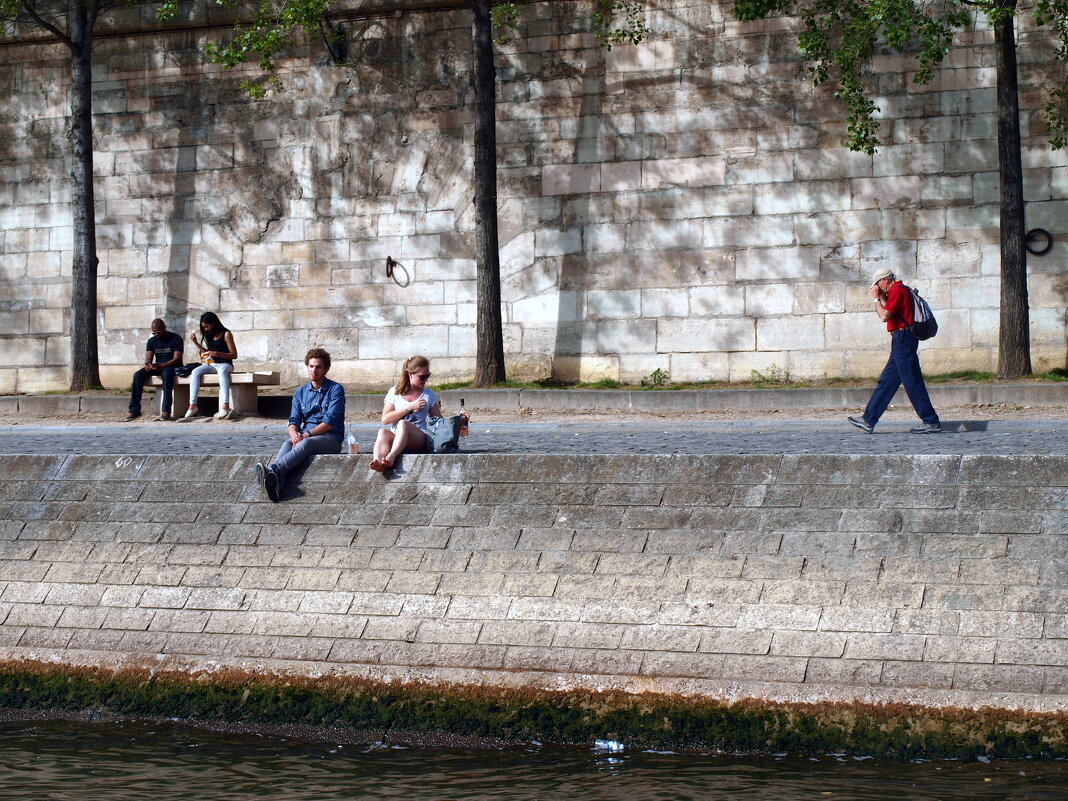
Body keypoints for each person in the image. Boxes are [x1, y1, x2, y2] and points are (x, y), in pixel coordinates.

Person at [848, 267, 941, 435]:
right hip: (901, 339)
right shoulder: (898, 291)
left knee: (912, 381)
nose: (876, 287)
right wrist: (882, 297)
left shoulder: (898, 291)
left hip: (903, 339)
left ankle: (931, 421)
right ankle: (868, 419)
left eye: (878, 283)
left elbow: (884, 316)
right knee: (887, 382)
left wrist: (876, 300)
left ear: (886, 280)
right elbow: (891, 310)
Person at [255, 348, 345, 503]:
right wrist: (294, 434)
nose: (314, 370)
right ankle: (276, 487)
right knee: (287, 443)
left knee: (307, 443)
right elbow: (293, 420)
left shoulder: (335, 389)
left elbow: (330, 422)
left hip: (330, 438)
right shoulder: (300, 392)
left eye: (318, 367)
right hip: (304, 435)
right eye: (311, 366)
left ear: (326, 369)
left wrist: (306, 435)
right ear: (307, 366)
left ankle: (274, 469)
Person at [370, 355, 441, 472]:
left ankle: (392, 456)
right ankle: (377, 462)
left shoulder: (428, 395)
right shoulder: (395, 392)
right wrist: (409, 408)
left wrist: (460, 422)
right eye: (422, 377)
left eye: (427, 376)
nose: (426, 380)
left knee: (403, 424)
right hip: (397, 437)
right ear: (410, 374)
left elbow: (439, 421)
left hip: (418, 439)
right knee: (382, 432)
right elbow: (385, 419)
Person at [179, 312, 238, 421]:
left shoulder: (226, 334)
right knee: (195, 371)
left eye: (206, 326)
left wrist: (218, 354)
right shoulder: (209, 335)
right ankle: (193, 405)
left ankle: (225, 405)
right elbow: (208, 352)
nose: (205, 329)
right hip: (213, 364)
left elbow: (234, 355)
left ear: (213, 323)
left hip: (226, 364)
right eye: (203, 327)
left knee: (222, 371)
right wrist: (196, 343)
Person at [124, 319, 184, 422]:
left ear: (164, 328)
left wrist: (162, 366)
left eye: (158, 331)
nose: (156, 334)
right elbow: (148, 359)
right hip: (158, 366)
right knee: (138, 375)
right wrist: (148, 365)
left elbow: (176, 359)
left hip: (172, 366)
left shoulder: (176, 338)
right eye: (154, 332)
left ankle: (166, 411)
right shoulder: (152, 341)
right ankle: (134, 410)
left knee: (166, 374)